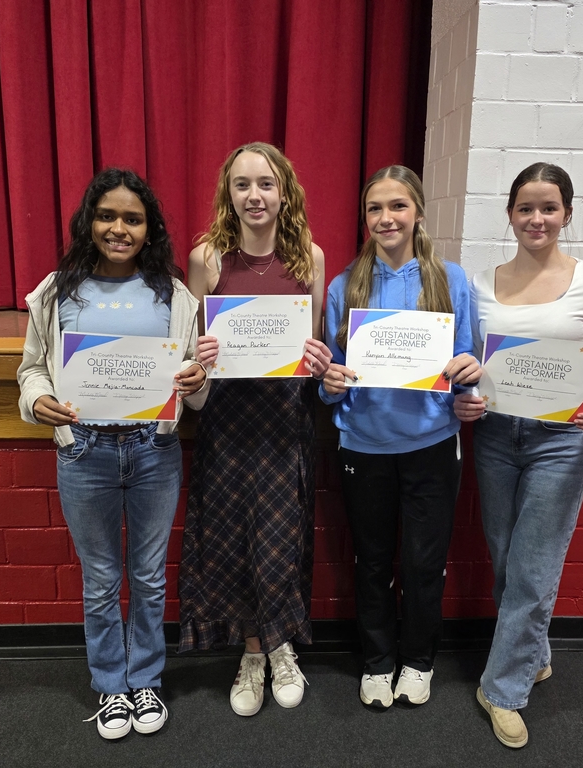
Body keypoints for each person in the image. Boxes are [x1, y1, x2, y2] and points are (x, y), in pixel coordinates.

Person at [17, 168, 209, 740]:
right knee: (101, 579)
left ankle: (145, 678)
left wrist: (197, 381)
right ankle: (110, 689)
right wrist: (39, 399)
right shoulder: (56, 292)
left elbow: (198, 393)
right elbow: (30, 369)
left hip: (154, 450)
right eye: (107, 216)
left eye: (132, 218)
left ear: (149, 229)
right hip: (86, 453)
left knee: (149, 578)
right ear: (89, 223)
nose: (119, 228)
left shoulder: (173, 296)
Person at [455, 162, 583, 748]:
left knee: (534, 567)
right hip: (498, 438)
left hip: (561, 441)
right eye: (526, 208)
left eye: (549, 208)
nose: (537, 219)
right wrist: (468, 395)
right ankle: (534, 649)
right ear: (509, 214)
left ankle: (502, 689)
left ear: (567, 214)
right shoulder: (481, 285)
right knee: (509, 558)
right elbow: (469, 366)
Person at [178, 142, 332, 716]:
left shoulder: (309, 258)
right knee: (235, 540)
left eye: (266, 183)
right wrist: (201, 351)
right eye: (242, 185)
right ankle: (250, 652)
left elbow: (311, 346)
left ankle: (281, 646)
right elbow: (191, 354)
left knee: (280, 538)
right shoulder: (206, 259)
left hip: (284, 420)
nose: (254, 195)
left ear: (284, 190)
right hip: (227, 420)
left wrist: (317, 359)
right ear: (228, 194)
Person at [320, 165, 480, 710]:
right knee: (371, 561)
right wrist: (331, 383)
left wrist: (467, 370)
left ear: (417, 213)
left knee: (422, 562)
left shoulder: (451, 280)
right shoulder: (345, 286)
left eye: (397, 206)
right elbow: (331, 381)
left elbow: (470, 363)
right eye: (374, 208)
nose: (385, 218)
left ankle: (418, 660)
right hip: (363, 446)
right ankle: (378, 662)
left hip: (432, 443)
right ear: (364, 218)